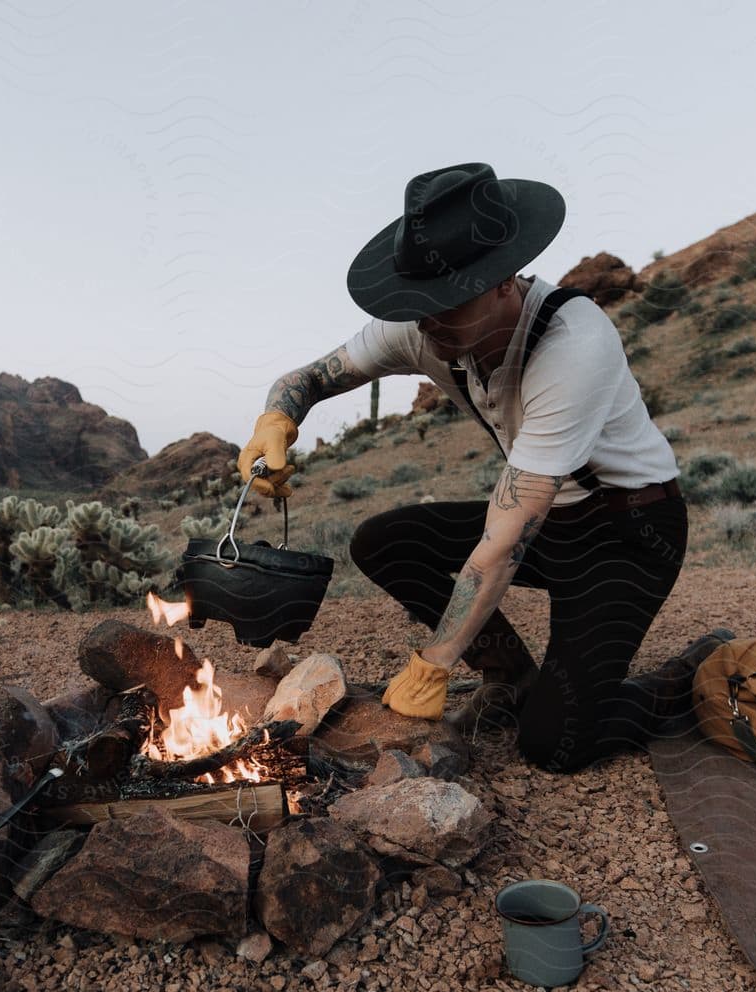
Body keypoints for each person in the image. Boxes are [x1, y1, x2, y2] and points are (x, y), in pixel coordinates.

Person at [238, 162, 729, 773]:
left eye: (446, 303)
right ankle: (511, 679)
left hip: (627, 533)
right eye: (418, 305)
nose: (427, 323)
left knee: (555, 744)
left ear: (504, 283)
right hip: (550, 523)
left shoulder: (573, 344)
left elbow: (501, 547)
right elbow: (305, 379)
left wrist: (434, 662)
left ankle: (687, 674)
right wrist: (276, 422)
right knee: (383, 541)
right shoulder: (425, 325)